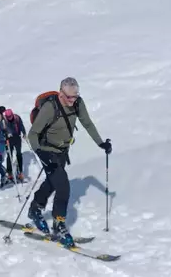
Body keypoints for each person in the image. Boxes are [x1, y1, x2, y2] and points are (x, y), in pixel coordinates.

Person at [27, 77, 112, 247]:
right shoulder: (50, 108)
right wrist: (41, 154)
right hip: (47, 151)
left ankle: (35, 209)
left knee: (52, 182)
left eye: (76, 97)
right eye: (70, 98)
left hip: (62, 152)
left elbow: (87, 123)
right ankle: (59, 224)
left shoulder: (78, 103)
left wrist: (100, 143)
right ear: (61, 93)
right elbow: (32, 134)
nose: (73, 101)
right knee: (63, 186)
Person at [3, 108, 26, 182]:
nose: (9, 118)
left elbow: (21, 126)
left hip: (17, 137)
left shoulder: (17, 118)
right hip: (8, 139)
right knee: (9, 155)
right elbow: (2, 130)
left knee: (19, 154)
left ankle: (20, 172)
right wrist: (6, 134)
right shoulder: (4, 121)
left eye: (10, 116)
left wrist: (24, 133)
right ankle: (9, 172)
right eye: (8, 117)